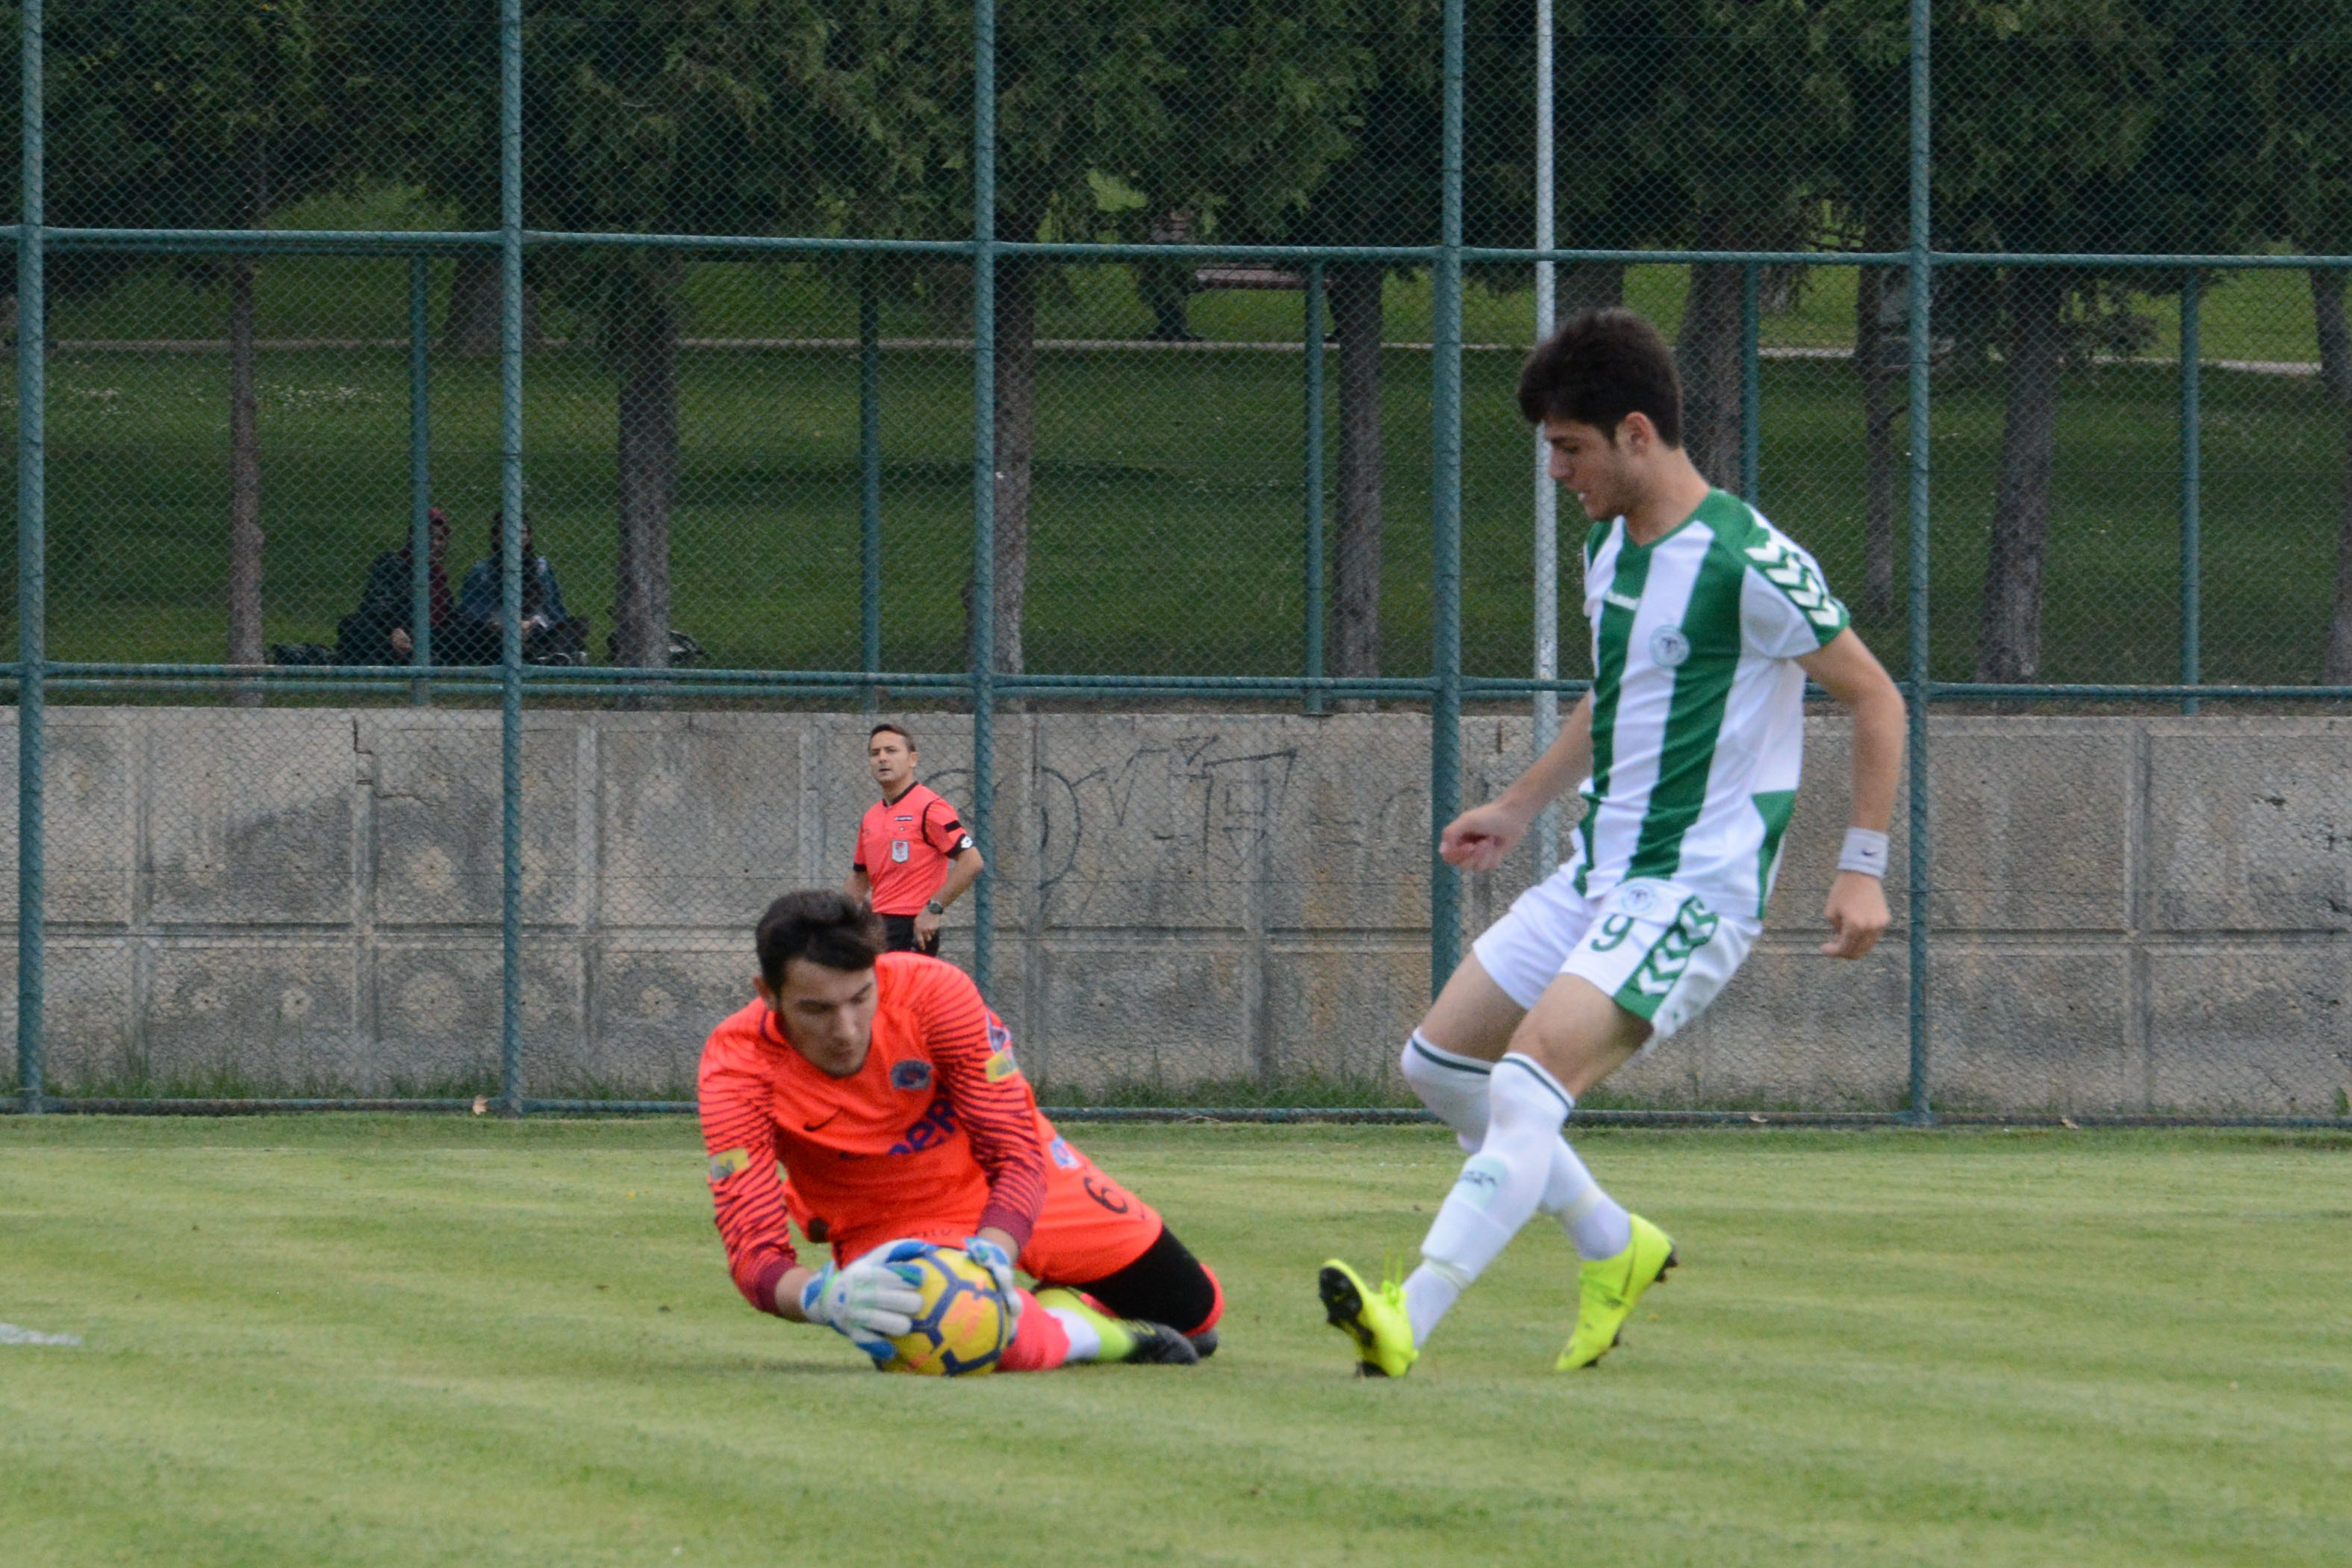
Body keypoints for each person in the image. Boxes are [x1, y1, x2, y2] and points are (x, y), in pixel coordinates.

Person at [1318, 308, 1908, 1377]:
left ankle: (1408, 1314)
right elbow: (1616, 694)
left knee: (1528, 1080)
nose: (1555, 471)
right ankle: (1611, 1244)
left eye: (1568, 448)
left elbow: (1875, 698)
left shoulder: (1746, 560)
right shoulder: (1607, 547)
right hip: (1592, 875)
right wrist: (1519, 804)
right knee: (1441, 1066)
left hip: (1692, 891)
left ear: (1636, 433)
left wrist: (1859, 869)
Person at [699, 890, 1224, 1372]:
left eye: (860, 998)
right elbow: (755, 1250)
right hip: (890, 1216)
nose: (845, 1029)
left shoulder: (935, 995)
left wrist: (995, 1252)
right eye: (816, 1009)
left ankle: (1063, 1303)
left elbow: (1015, 1152)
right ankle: (1094, 1335)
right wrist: (820, 1298)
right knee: (954, 1336)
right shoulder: (735, 1069)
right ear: (767, 993)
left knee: (1196, 1316)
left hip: (1004, 1177)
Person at [843, 724, 984, 955]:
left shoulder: (930, 807)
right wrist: (833, 923)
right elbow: (860, 878)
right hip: (878, 926)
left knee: (906, 992)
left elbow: (972, 861)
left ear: (912, 759)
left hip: (913, 926)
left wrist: (934, 909)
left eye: (891, 751)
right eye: (875, 753)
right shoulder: (871, 817)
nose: (882, 759)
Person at [460, 511, 588, 664]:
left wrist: (531, 623)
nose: (516, 537)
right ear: (496, 537)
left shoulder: (541, 568)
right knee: (476, 634)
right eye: (508, 532)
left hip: (537, 632)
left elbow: (554, 611)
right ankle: (550, 656)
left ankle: (546, 656)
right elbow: (475, 613)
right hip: (500, 633)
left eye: (521, 532)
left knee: (579, 624)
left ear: (529, 535)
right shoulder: (483, 571)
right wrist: (506, 626)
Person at [336, 506, 456, 665]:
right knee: (352, 624)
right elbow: (376, 604)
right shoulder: (392, 564)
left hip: (431, 636)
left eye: (441, 539)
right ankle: (415, 659)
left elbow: (449, 618)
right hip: (392, 632)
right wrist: (395, 628)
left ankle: (411, 659)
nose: (435, 544)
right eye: (429, 537)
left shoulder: (439, 578)